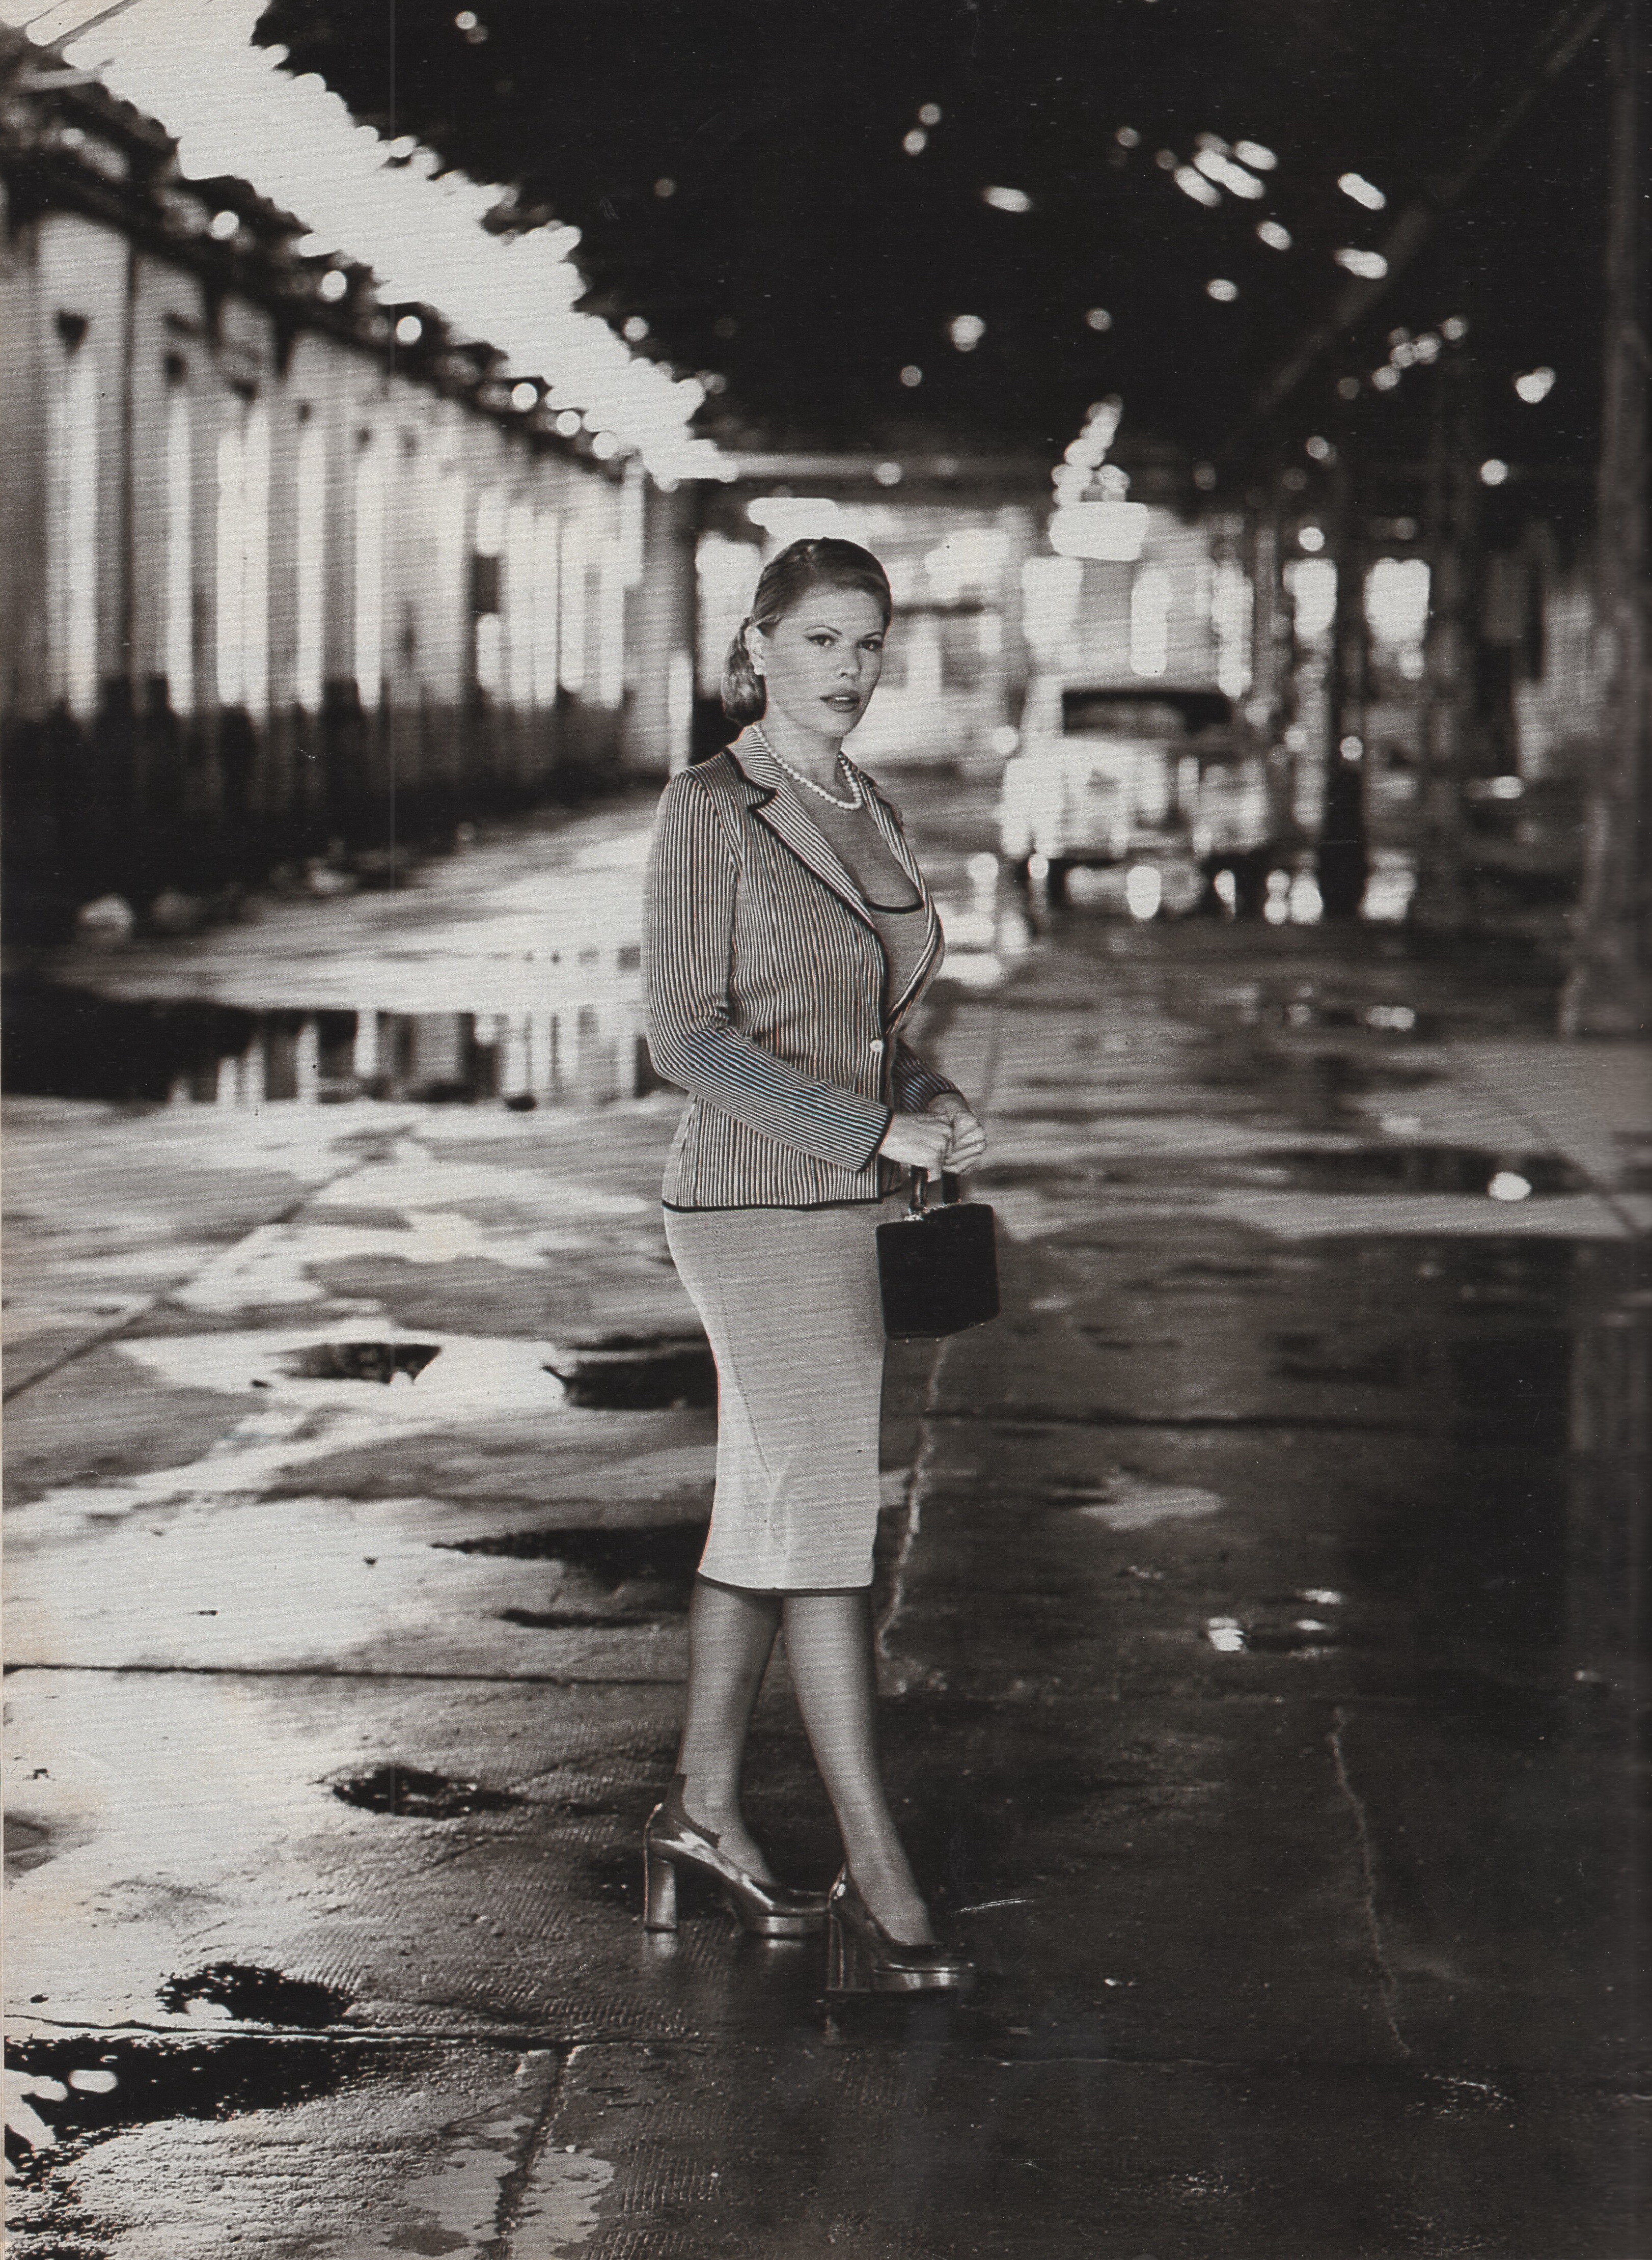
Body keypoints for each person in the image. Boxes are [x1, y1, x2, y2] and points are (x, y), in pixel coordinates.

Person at [640, 537, 988, 1993]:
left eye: (868, 642)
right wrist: (871, 1128)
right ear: (759, 645)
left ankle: (699, 1815)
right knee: (831, 1531)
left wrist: (930, 1094)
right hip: (752, 1210)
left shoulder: (869, 803)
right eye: (822, 639)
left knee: (770, 1511)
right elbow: (685, 1037)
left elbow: (876, 1015)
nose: (849, 669)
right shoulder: (709, 809)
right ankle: (880, 1882)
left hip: (852, 1205)